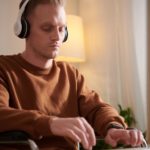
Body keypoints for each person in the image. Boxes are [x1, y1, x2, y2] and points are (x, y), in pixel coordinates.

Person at [0, 0, 145, 150]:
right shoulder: (3, 68)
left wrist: (113, 127)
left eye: (62, 29)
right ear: (23, 29)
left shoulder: (70, 73)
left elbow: (97, 108)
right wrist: (50, 123)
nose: (57, 37)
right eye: (47, 28)